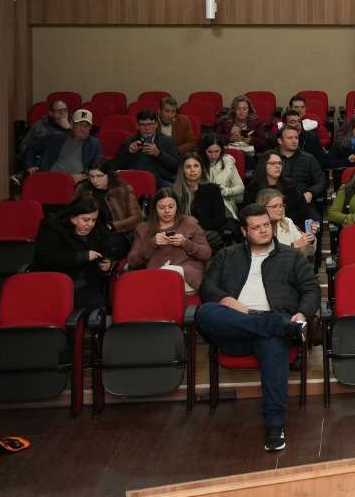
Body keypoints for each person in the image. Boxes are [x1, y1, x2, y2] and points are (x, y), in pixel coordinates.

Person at [195, 204, 319, 451]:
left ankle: (275, 426)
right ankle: (274, 325)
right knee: (205, 312)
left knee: (272, 344)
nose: (264, 231)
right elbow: (207, 287)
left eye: (266, 225)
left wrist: (302, 313)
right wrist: (226, 300)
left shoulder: (291, 256)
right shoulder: (227, 255)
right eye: (256, 227)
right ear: (244, 231)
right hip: (236, 328)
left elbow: (311, 289)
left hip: (272, 332)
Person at [33, 194, 114, 312]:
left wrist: (107, 263)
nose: (90, 224)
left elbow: (106, 251)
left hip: (86, 283)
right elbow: (47, 259)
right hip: (54, 282)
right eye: (85, 220)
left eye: (93, 220)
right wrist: (82, 257)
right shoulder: (52, 226)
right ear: (72, 217)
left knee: (98, 307)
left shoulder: (98, 228)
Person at [127, 188, 213, 296]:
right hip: (157, 276)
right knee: (162, 276)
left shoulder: (189, 223)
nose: (167, 211)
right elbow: (132, 260)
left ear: (177, 207)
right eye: (161, 207)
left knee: (168, 272)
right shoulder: (144, 229)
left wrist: (185, 243)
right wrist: (152, 244)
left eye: (171, 207)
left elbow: (206, 254)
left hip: (186, 275)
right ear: (154, 208)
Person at [78, 163, 140, 260]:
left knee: (106, 246)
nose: (95, 180)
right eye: (92, 176)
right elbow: (73, 212)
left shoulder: (123, 189)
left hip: (118, 232)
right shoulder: (84, 189)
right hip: (90, 230)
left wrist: (113, 226)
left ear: (109, 175)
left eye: (99, 176)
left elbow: (136, 217)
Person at [171, 153, 235, 244]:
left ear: (201, 169)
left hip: (206, 233)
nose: (192, 170)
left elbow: (219, 220)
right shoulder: (175, 192)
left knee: (215, 237)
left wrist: (196, 226)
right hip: (182, 234)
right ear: (183, 171)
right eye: (188, 167)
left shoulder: (213, 189)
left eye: (196, 166)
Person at [245, 150, 309, 237]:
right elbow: (248, 214)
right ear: (263, 165)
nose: (278, 166)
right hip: (262, 229)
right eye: (273, 163)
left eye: (280, 163)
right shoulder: (253, 188)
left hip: (289, 227)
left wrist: (291, 225)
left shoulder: (289, 185)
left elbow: (302, 209)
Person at [112, 109, 179, 183]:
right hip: (133, 180)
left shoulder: (167, 141)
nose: (147, 128)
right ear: (137, 126)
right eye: (143, 125)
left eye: (150, 124)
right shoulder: (128, 141)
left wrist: (159, 154)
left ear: (156, 125)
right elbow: (114, 167)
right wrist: (128, 152)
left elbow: (176, 167)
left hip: (159, 181)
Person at [32, 108, 101, 177]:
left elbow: (95, 167)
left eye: (87, 126)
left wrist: (84, 176)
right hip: (51, 177)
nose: (83, 129)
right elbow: (31, 149)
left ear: (90, 127)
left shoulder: (94, 143)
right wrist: (30, 165)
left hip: (78, 181)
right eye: (79, 124)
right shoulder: (54, 137)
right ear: (71, 124)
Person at [275, 125, 326, 211]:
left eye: (296, 138)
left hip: (303, 202)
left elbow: (321, 181)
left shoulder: (308, 159)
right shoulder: (270, 158)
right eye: (290, 138)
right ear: (280, 141)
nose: (294, 141)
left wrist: (311, 192)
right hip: (276, 203)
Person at [256, 185, 315, 259]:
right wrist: (292, 246)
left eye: (281, 206)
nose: (280, 209)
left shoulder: (288, 222)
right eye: (274, 206)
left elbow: (307, 251)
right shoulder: (256, 228)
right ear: (262, 207)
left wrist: (310, 239)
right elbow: (264, 257)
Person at [18, 99, 71, 172]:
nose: (62, 114)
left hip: (63, 163)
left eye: (65, 110)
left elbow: (76, 147)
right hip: (40, 163)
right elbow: (24, 145)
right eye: (59, 111)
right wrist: (32, 161)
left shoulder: (73, 125)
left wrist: (68, 129)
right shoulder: (40, 125)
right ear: (51, 113)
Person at [201, 133, 245, 218]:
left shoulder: (228, 161)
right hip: (202, 202)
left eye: (217, 151)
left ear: (221, 149)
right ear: (204, 150)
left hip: (224, 202)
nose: (213, 156)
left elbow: (241, 188)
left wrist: (227, 191)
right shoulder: (197, 162)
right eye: (209, 152)